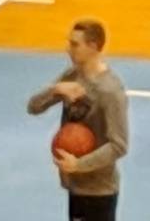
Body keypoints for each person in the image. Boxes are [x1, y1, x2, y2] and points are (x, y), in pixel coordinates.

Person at [27, 15, 129, 216]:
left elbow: (119, 145)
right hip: (75, 184)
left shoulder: (110, 91)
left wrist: (79, 165)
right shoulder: (72, 76)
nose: (68, 49)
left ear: (93, 46)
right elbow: (33, 107)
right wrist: (55, 90)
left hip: (99, 189)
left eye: (75, 44)